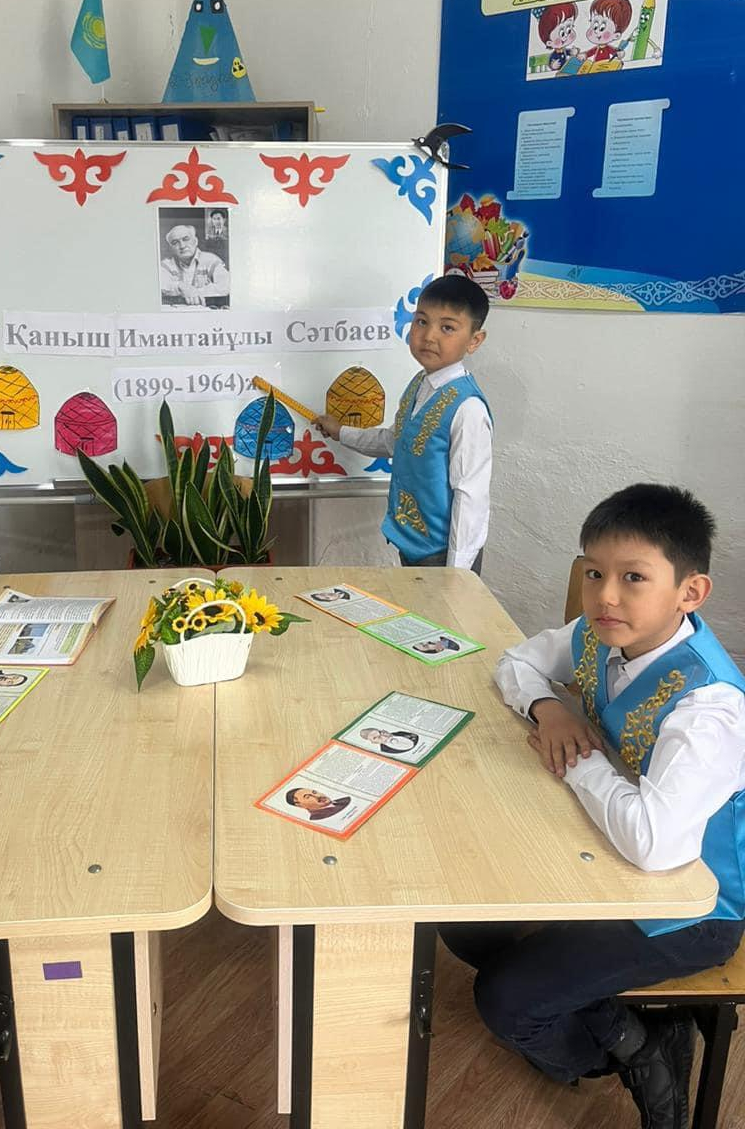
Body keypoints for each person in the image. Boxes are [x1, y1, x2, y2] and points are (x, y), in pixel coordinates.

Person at [440, 484, 745, 1129]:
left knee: (505, 1001)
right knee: (461, 923)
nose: (606, 595)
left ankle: (633, 1051)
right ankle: (623, 1027)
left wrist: (578, 759)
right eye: (593, 573)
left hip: (693, 904)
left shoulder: (709, 707)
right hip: (603, 854)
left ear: (690, 593)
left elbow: (655, 845)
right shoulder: (599, 636)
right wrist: (549, 710)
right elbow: (516, 662)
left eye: (634, 577)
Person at [316, 274, 491, 572]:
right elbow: (394, 441)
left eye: (447, 327)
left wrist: (456, 576)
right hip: (411, 543)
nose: (429, 336)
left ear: (474, 340)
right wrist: (341, 432)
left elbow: (470, 496)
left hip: (445, 555)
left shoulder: (468, 408)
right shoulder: (419, 385)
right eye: (421, 321)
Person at [159, 223, 230, 308]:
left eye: (186, 239)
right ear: (171, 248)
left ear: (195, 241)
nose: (182, 246)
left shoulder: (211, 260)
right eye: (175, 243)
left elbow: (226, 285)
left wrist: (195, 292)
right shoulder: (166, 265)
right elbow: (159, 285)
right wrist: (181, 286)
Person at [285, 787, 351, 821]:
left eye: (314, 792)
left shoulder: (345, 799)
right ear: (300, 805)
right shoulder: (318, 818)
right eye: (308, 797)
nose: (318, 796)